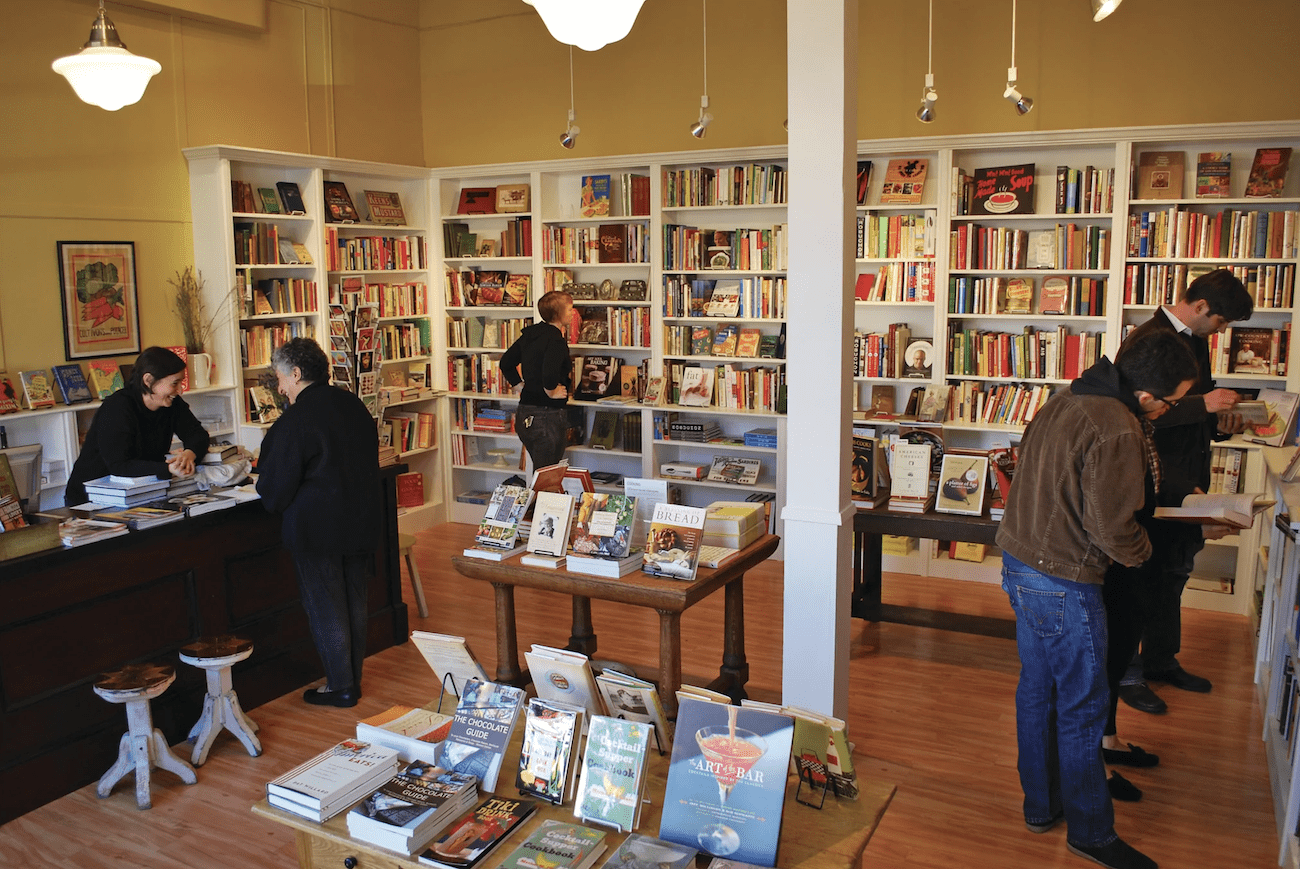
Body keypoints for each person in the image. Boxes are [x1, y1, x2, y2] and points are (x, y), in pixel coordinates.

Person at [996, 328, 1198, 869]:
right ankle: (1091, 831)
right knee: (1085, 709)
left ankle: (1041, 804)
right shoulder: (1118, 427)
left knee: (1037, 691)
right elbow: (1112, 527)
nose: (1168, 411)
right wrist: (1147, 553)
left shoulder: (1068, 396)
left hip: (1022, 562)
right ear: (1149, 395)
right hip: (1065, 578)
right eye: (1173, 401)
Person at [1117, 269, 1255, 716]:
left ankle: (1160, 660)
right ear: (1199, 308)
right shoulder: (1146, 340)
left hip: (1188, 478)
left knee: (1174, 572)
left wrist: (1219, 418)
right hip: (1156, 480)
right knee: (1142, 578)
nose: (1222, 331)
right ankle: (1128, 672)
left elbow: (1194, 407)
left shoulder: (1195, 340)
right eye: (1221, 322)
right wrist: (1204, 405)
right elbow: (1135, 413)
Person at [256, 337, 379, 708]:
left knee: (326, 605)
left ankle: (341, 686)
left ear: (296, 373)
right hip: (359, 520)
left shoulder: (296, 420)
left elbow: (274, 487)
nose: (279, 388)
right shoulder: (353, 404)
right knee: (354, 601)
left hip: (316, 527)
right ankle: (351, 678)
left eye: (281, 378)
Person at [65, 346, 210, 505]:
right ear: (148, 380)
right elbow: (120, 465)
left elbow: (198, 435)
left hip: (141, 491)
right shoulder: (117, 408)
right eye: (175, 383)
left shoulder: (172, 403)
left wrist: (190, 454)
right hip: (93, 498)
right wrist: (166, 469)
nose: (180, 390)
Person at [500, 290, 575, 470]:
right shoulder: (556, 340)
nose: (573, 313)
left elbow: (506, 362)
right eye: (570, 309)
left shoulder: (531, 335)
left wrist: (519, 386)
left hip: (525, 414)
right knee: (547, 476)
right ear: (558, 314)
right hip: (546, 417)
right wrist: (552, 391)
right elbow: (549, 373)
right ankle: (538, 500)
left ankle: (538, 498)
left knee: (542, 472)